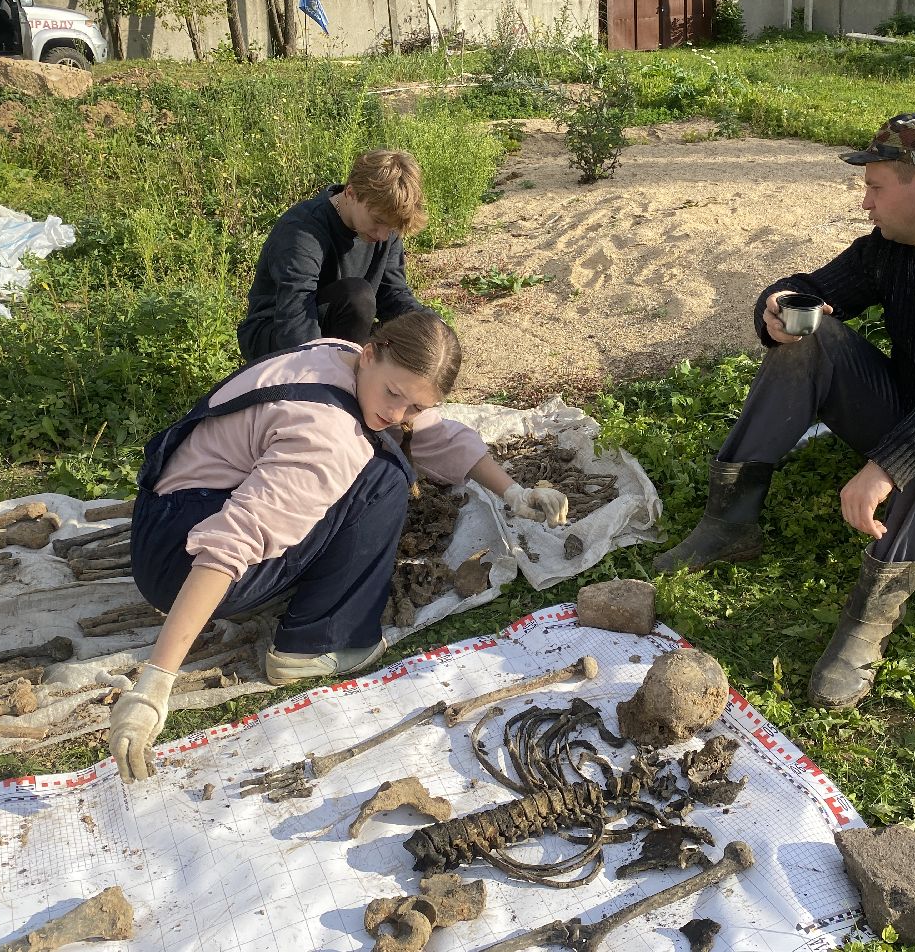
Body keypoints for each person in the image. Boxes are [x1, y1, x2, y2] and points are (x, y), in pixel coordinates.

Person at [654, 113, 915, 709]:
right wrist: (775, 306)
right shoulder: (896, 248)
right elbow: (814, 286)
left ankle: (867, 622)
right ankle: (729, 523)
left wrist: (888, 465)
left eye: (876, 187)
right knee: (812, 334)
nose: (865, 203)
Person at [108, 312, 570, 782]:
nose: (397, 414)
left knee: (382, 454)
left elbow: (433, 434)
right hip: (182, 558)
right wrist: (155, 684)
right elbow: (231, 542)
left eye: (414, 405)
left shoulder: (339, 355)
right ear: (372, 354)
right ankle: (316, 641)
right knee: (386, 477)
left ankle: (269, 594)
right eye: (394, 395)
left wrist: (512, 491)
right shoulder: (329, 437)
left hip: (169, 510)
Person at [237, 149, 431, 360]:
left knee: (403, 341)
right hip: (275, 332)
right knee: (358, 297)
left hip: (339, 327)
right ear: (351, 193)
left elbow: (392, 295)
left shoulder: (385, 230)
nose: (383, 235)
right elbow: (295, 314)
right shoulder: (302, 230)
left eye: (391, 227)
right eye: (378, 221)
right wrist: (321, 376)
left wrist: (429, 325)